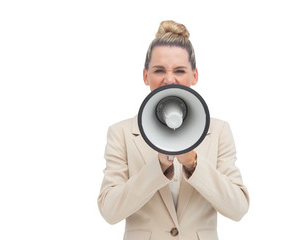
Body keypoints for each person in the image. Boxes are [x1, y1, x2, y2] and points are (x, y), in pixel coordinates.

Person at [97, 20, 250, 240]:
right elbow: (110, 212)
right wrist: (157, 168)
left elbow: (238, 209)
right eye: (159, 70)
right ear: (145, 76)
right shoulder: (121, 133)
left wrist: (194, 163)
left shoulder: (218, 131)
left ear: (194, 76)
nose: (169, 79)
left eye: (179, 70)